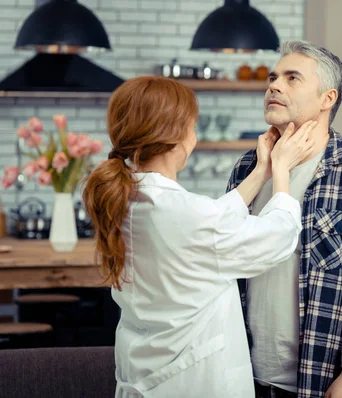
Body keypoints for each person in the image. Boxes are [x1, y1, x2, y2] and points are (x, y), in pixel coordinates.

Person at [82, 76, 317, 398]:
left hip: (145, 375)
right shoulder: (184, 213)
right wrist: (282, 171)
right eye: (193, 126)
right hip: (193, 382)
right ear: (178, 134)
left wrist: (261, 170)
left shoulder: (131, 198)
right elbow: (276, 238)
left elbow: (208, 226)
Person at [226, 41, 342, 398]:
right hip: (239, 373)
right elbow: (223, 258)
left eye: (292, 79)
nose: (273, 85)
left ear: (328, 99)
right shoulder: (249, 167)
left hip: (317, 378)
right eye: (273, 77)